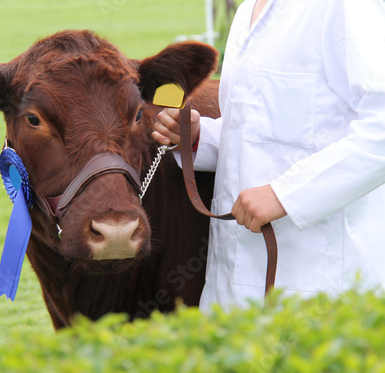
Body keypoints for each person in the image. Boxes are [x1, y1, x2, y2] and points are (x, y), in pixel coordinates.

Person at [152, 0, 385, 311]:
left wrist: (286, 194)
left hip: (319, 279)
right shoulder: (249, 8)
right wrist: (198, 138)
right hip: (230, 282)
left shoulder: (346, 6)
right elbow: (266, 130)